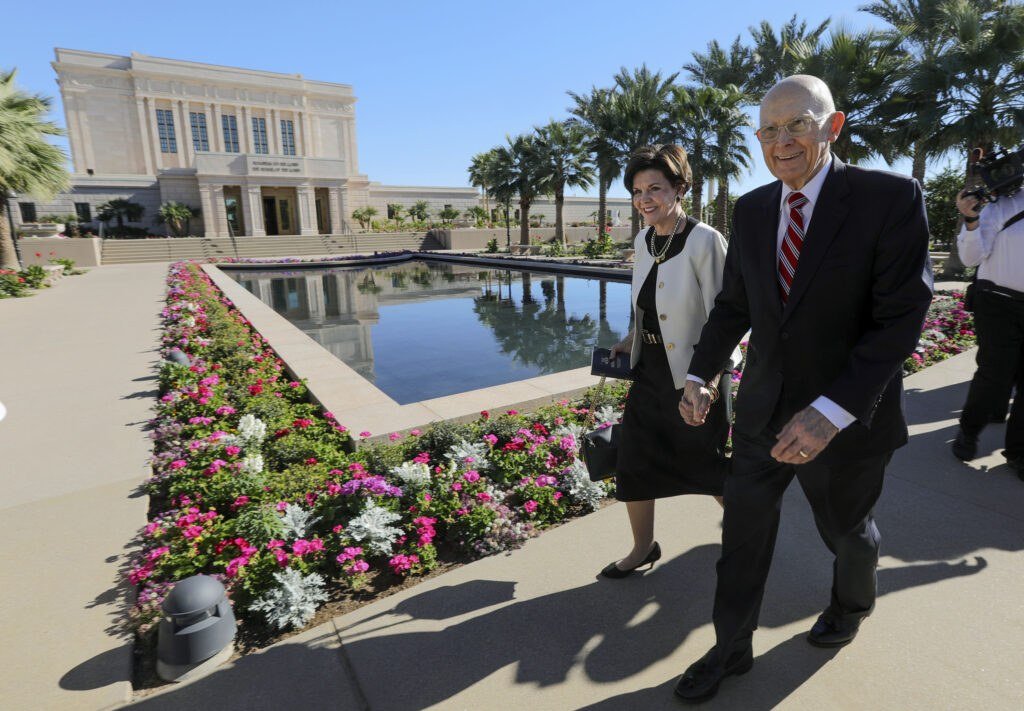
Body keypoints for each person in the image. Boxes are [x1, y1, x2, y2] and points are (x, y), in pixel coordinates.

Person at [674, 75, 932, 702]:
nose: (781, 141)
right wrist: (699, 373)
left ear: (833, 125)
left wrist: (830, 412)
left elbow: (900, 318)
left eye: (797, 124)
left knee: (845, 531)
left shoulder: (889, 199)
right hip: (763, 412)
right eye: (768, 129)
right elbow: (735, 305)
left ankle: (852, 602)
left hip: (844, 423)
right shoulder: (755, 208)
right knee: (741, 538)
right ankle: (730, 650)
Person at [602, 144, 740, 578]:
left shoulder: (705, 240)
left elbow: (728, 315)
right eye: (638, 190)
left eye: (655, 188)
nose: (645, 199)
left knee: (709, 466)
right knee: (634, 463)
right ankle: (643, 547)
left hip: (696, 376)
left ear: (680, 188)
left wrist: (710, 379)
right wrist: (629, 339)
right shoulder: (644, 239)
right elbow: (649, 306)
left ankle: (747, 538)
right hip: (650, 375)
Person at [951, 172, 1024, 478]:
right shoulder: (1004, 204)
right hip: (997, 302)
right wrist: (970, 220)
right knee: (994, 374)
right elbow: (970, 258)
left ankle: (1019, 453)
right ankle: (969, 432)